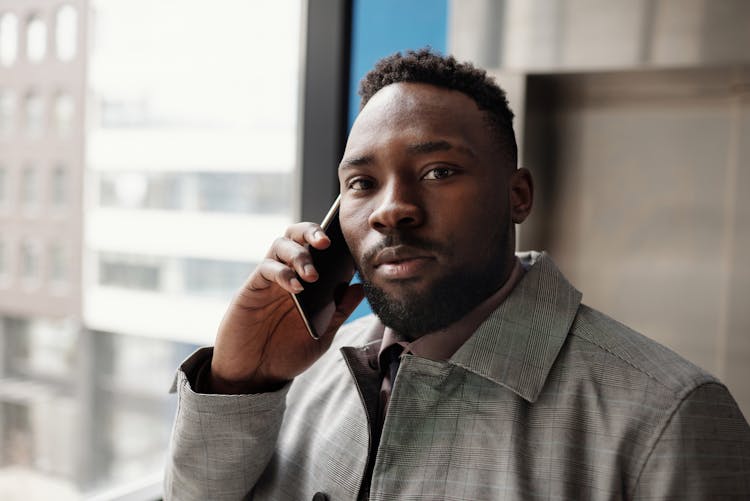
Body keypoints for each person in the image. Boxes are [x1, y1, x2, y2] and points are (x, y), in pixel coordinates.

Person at [164, 49, 750, 500]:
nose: (391, 209)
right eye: (361, 184)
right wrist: (237, 383)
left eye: (439, 170)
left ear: (518, 195)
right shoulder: (301, 379)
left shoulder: (668, 414)